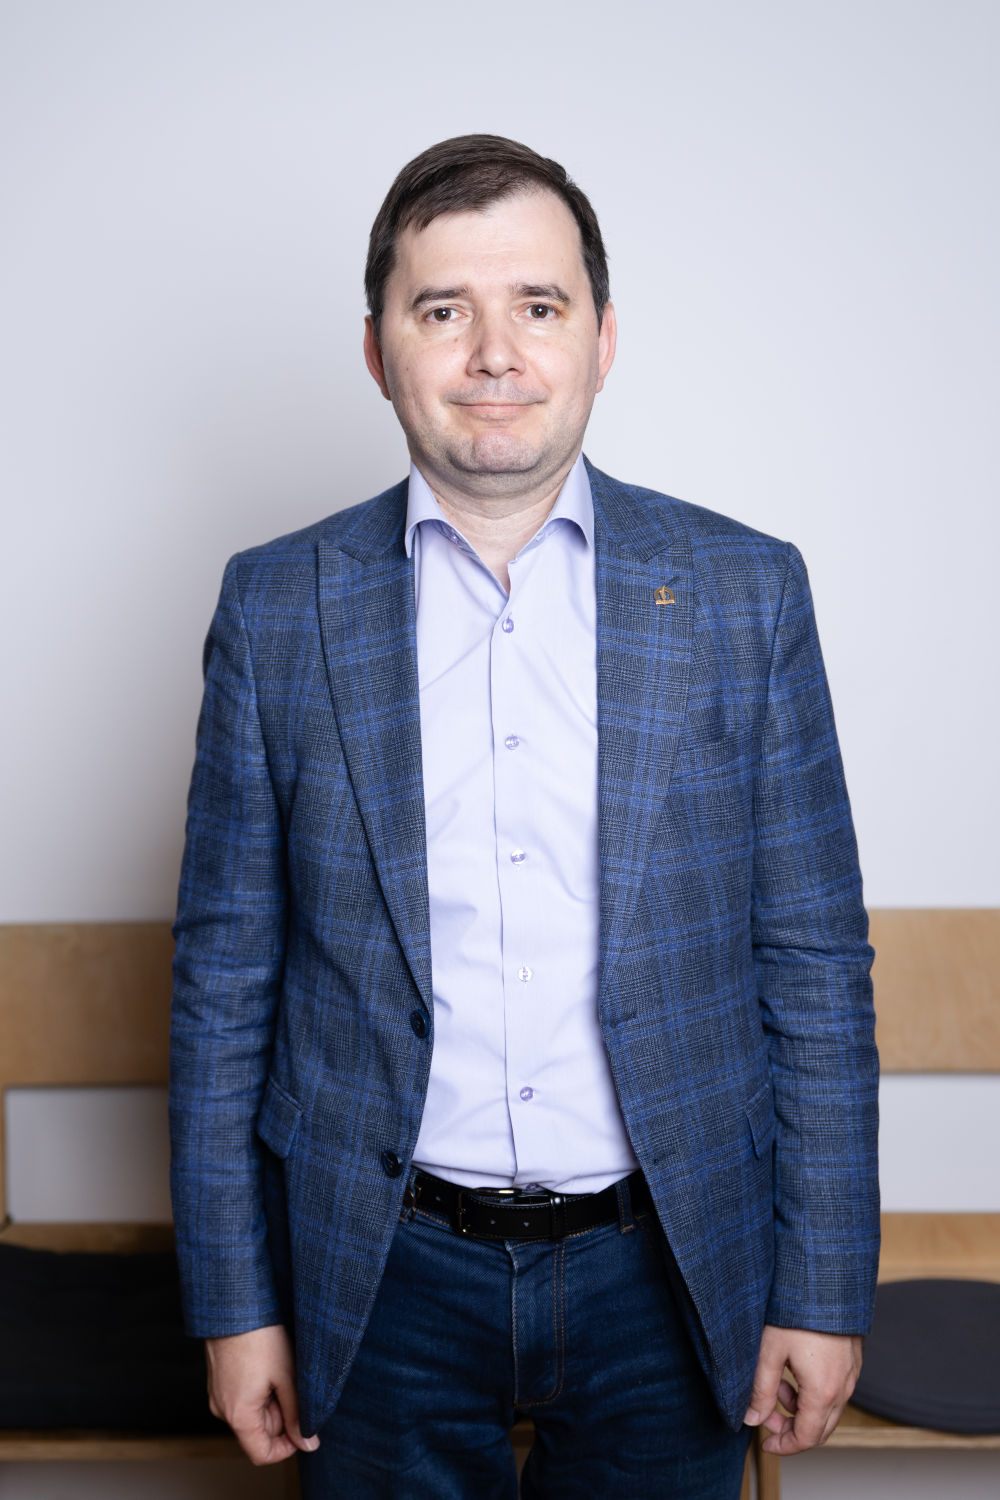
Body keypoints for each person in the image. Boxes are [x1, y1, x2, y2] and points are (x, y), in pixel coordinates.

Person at [169, 134, 879, 1499]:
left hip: (669, 1266)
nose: (495, 353)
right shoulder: (275, 608)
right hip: (377, 1272)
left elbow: (812, 961)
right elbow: (222, 984)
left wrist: (825, 1282)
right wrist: (234, 1302)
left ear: (602, 340)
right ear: (378, 351)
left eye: (538, 306)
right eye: (444, 309)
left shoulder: (746, 593)